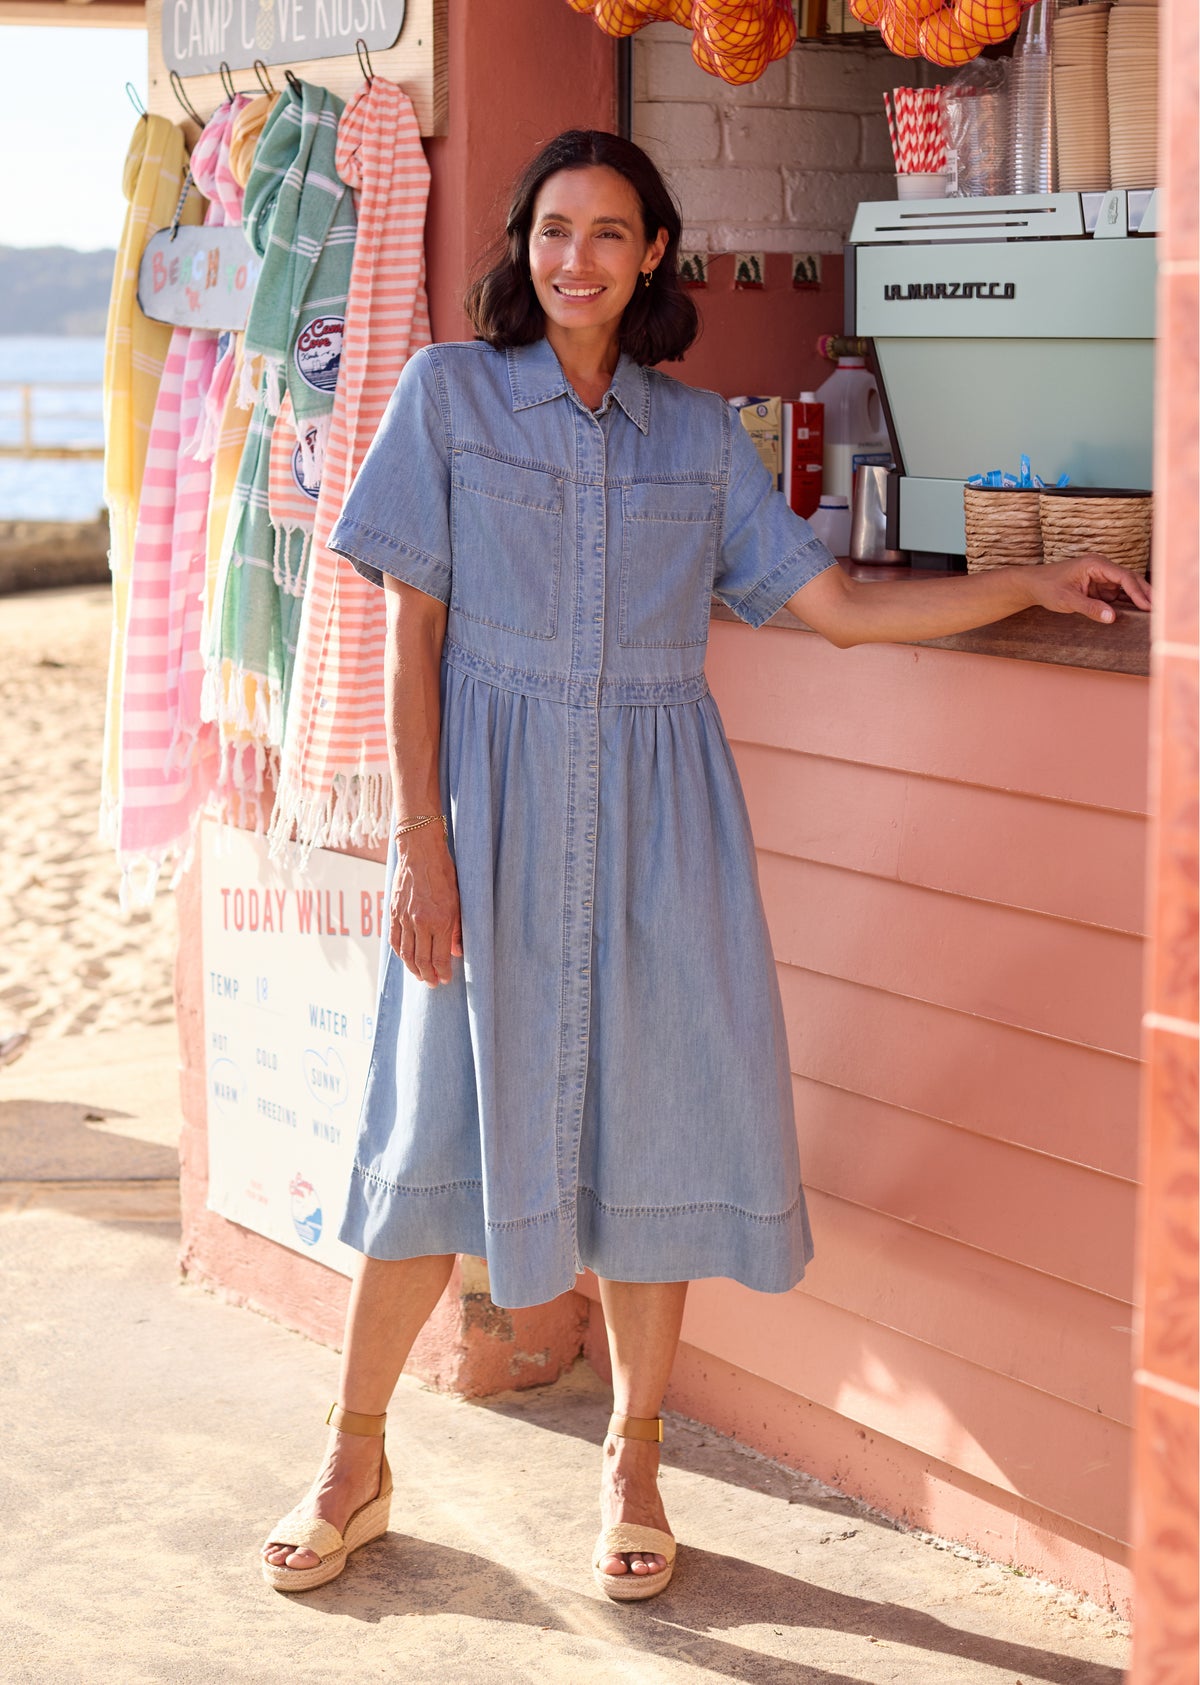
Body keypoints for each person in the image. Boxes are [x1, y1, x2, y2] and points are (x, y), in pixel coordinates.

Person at [261, 130, 1151, 1601]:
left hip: (661, 826)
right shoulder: (451, 397)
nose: (577, 261)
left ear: (655, 252)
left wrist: (1027, 582)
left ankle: (637, 1455)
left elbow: (841, 607)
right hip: (486, 811)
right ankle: (352, 1456)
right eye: (555, 231)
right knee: (433, 1131)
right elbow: (410, 636)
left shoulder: (695, 437)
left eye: (611, 234)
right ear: (521, 244)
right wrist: (421, 842)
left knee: (657, 1131)